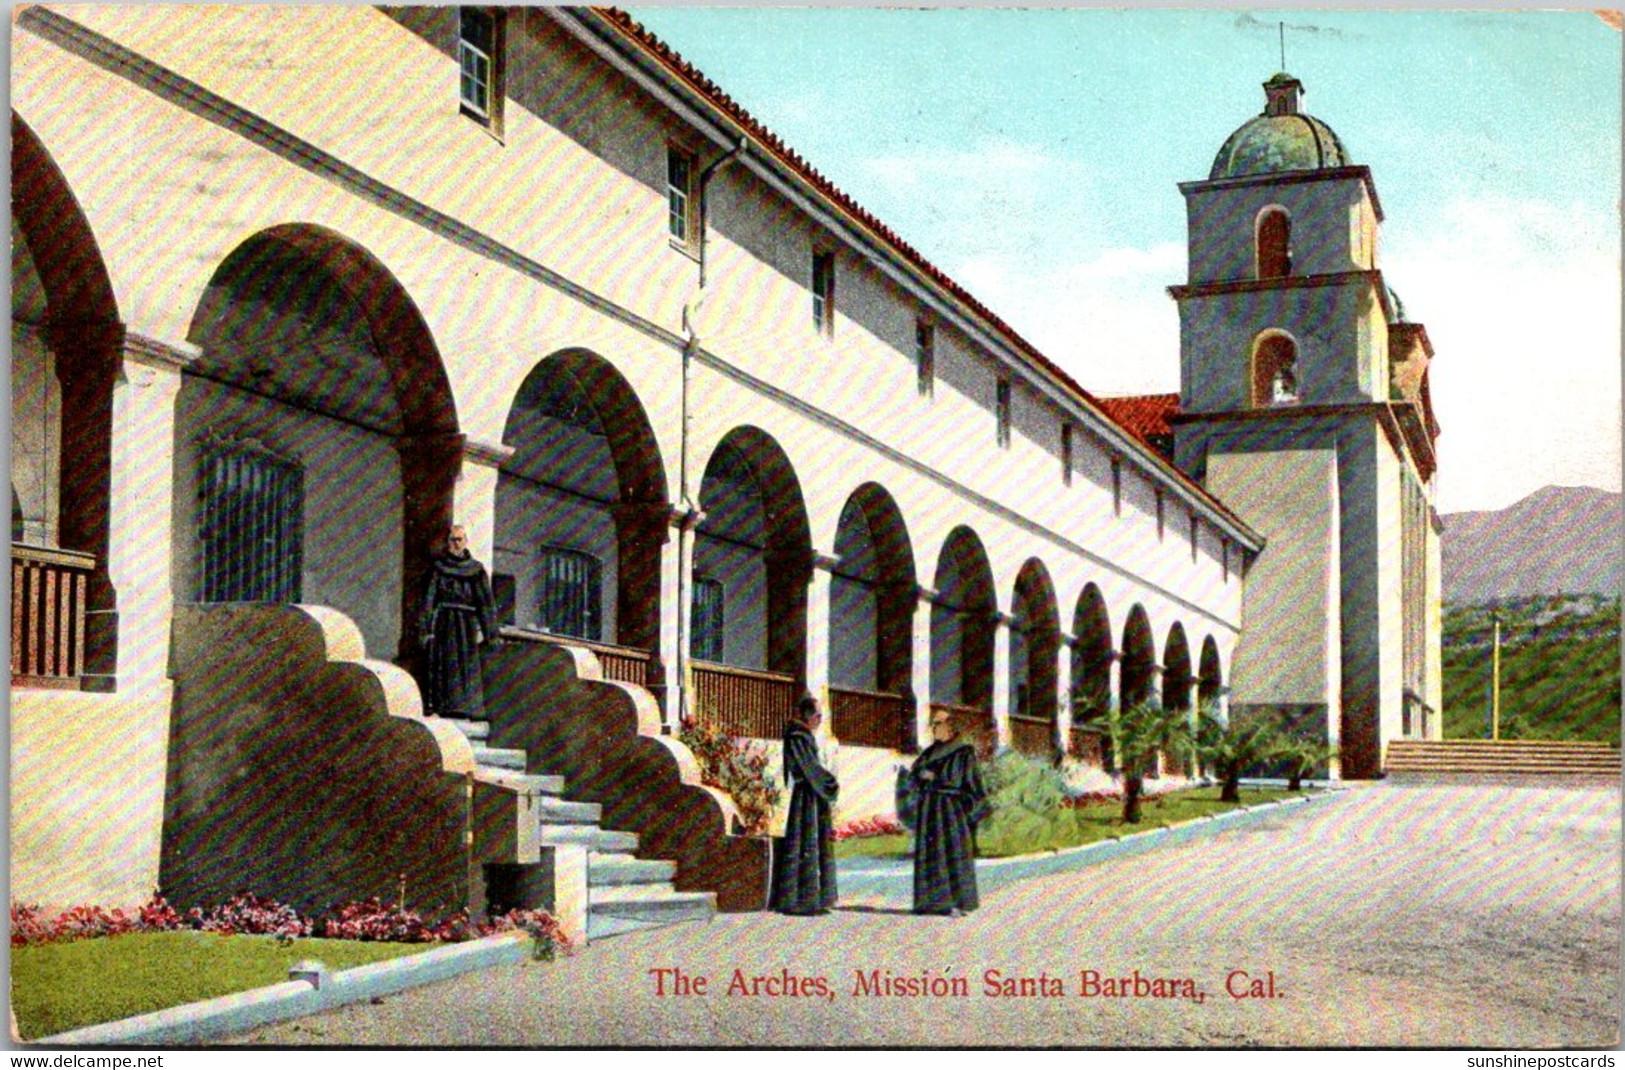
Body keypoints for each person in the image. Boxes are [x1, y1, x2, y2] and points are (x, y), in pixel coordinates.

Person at [906, 709, 988, 916]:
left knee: (950, 851)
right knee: (931, 853)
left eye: (938, 724)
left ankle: (955, 902)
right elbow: (914, 773)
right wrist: (920, 776)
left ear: (950, 726)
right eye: (933, 724)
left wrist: (934, 777)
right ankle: (930, 903)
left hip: (950, 809)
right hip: (929, 809)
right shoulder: (930, 751)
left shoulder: (963, 752)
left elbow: (961, 780)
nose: (934, 728)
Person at [418, 525, 499, 720]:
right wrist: (426, 629)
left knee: (467, 665)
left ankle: (467, 707)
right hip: (445, 623)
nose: (456, 543)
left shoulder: (476, 570)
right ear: (448, 542)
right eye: (453, 539)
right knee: (446, 664)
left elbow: (486, 602)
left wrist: (490, 632)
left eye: (460, 539)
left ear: (466, 541)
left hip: (468, 624)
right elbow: (429, 599)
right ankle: (445, 707)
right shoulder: (439, 568)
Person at [771, 693, 839, 915]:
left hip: (813, 795)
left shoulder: (803, 736)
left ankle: (814, 900)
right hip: (807, 797)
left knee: (813, 842)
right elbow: (809, 768)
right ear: (808, 715)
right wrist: (829, 782)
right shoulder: (798, 737)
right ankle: (801, 901)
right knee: (805, 842)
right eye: (817, 715)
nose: (820, 720)